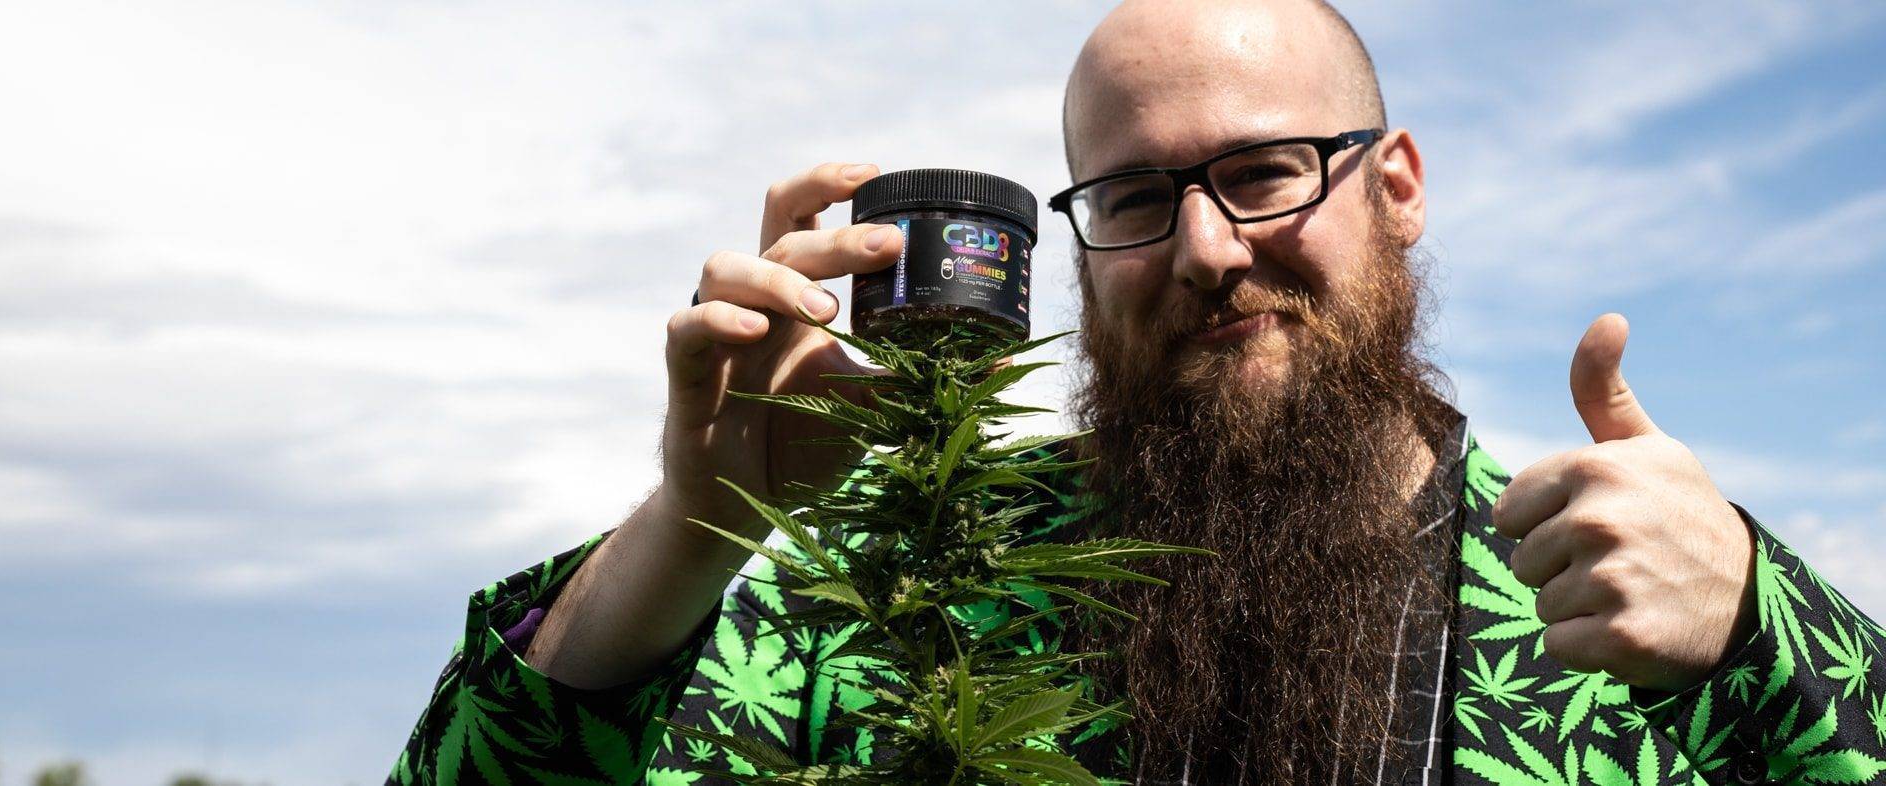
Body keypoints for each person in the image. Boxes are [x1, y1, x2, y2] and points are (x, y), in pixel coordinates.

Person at [386, 1, 1885, 783]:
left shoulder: (1613, 605)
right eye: (1133, 195)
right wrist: (698, 526)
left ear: (1399, 183)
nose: (1208, 249)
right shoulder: (915, 600)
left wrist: (1767, 623)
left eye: (1262, 170)